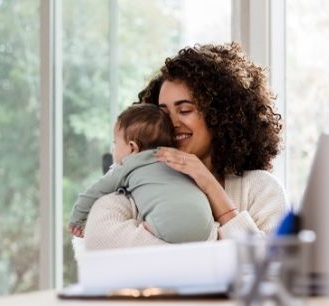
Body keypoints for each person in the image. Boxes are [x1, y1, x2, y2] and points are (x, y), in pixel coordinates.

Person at [83, 42, 289, 250]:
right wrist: (213, 254)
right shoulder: (140, 179)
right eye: (163, 113)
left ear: (221, 115)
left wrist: (211, 186)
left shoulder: (261, 189)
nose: (172, 123)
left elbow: (271, 269)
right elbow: (99, 240)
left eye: (184, 110)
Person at [68, 103, 214, 243]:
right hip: (205, 228)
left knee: (145, 225)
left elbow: (93, 192)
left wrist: (77, 221)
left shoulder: (126, 166)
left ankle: (155, 227)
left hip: (168, 227)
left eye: (115, 143)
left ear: (132, 148)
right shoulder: (177, 160)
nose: (113, 150)